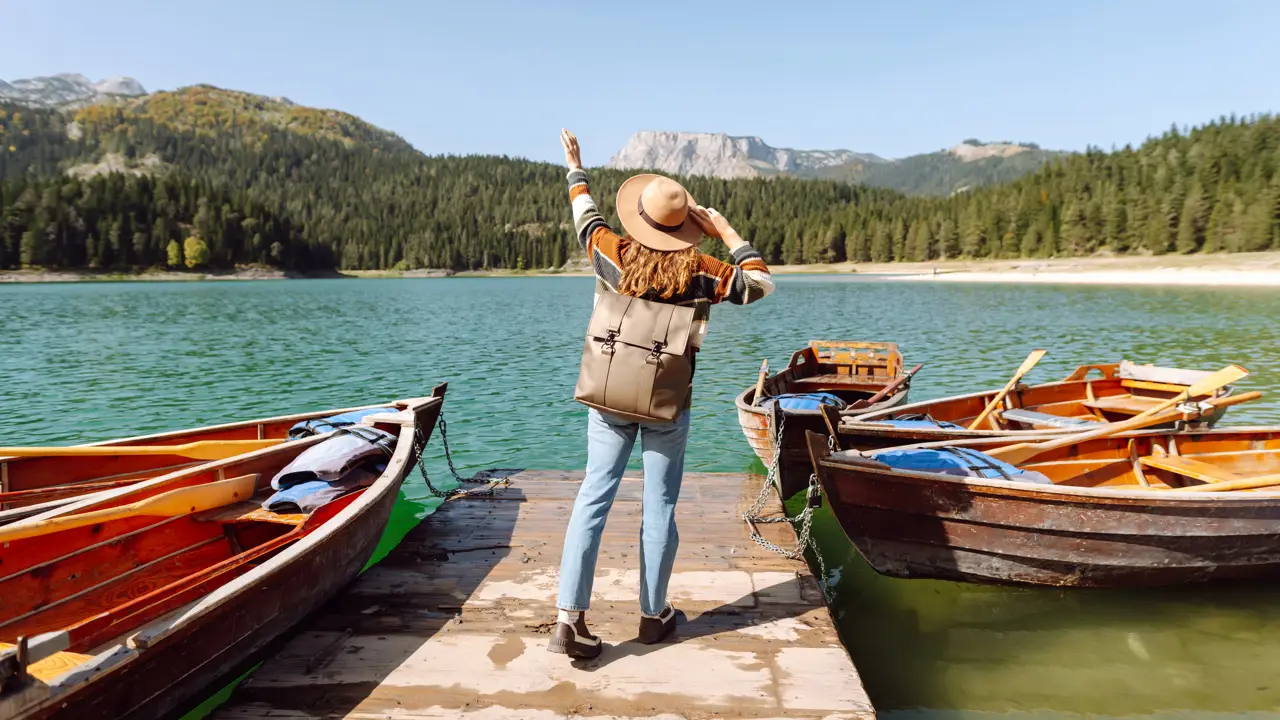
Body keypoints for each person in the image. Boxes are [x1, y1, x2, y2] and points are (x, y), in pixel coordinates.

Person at [549, 129, 775, 659]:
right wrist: (722, 230)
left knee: (593, 497)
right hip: (667, 403)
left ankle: (569, 619)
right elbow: (760, 283)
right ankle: (654, 616)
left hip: (608, 397)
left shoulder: (613, 252)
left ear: (639, 219)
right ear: (684, 227)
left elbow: (585, 214)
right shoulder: (701, 270)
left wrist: (575, 165)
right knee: (660, 506)